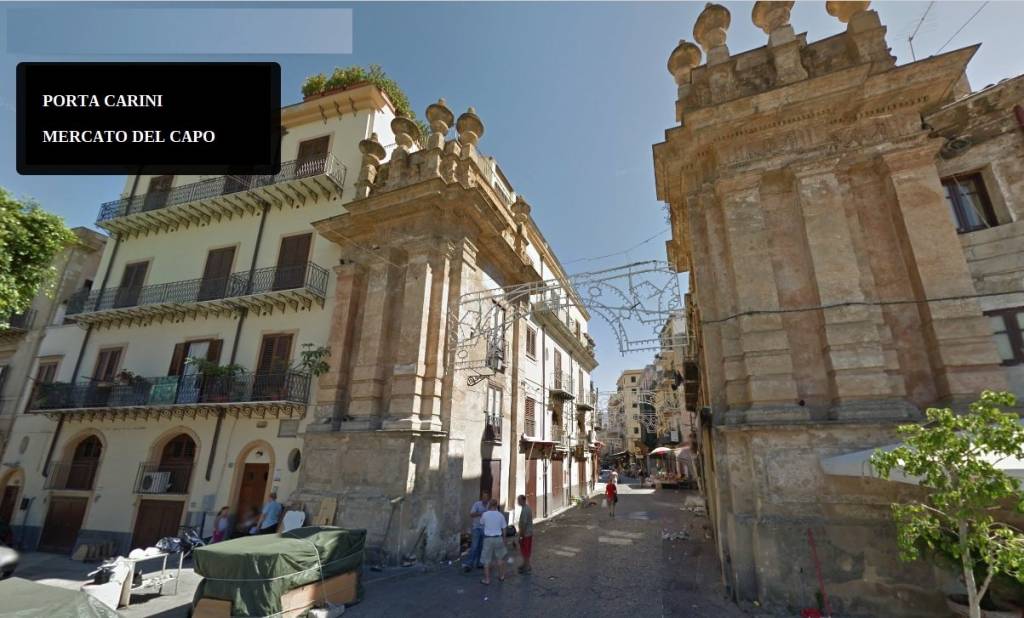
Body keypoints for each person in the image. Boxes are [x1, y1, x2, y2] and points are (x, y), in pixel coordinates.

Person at [479, 499, 508, 585]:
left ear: (489, 505)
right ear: (496, 505)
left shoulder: (485, 514)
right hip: (498, 538)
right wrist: (504, 539)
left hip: (488, 539)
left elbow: (481, 523)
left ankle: (487, 580)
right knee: (500, 558)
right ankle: (501, 576)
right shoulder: (500, 515)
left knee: (486, 560)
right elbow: (504, 528)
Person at [462, 490, 490, 572]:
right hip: (477, 528)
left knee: (481, 547)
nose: (485, 499)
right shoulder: (477, 504)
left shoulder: (489, 506)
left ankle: (479, 563)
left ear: (488, 498)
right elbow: (471, 514)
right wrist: (481, 514)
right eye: (483, 497)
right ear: (482, 498)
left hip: (485, 529)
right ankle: (469, 564)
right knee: (474, 546)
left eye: (486, 497)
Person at [516, 495, 533, 574]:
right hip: (527, 533)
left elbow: (524, 524)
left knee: (525, 550)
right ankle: (524, 564)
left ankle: (527, 566)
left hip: (526, 534)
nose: (518, 501)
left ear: (523, 500)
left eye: (519, 500)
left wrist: (521, 535)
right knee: (524, 550)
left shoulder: (525, 509)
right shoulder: (526, 508)